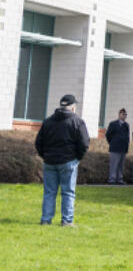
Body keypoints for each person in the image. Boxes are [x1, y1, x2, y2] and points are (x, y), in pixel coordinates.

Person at [34, 94, 90, 226]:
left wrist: (45, 155)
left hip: (49, 161)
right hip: (68, 161)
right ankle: (67, 220)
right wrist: (78, 157)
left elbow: (38, 143)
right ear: (73, 107)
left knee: (49, 192)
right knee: (68, 192)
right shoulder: (77, 121)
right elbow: (84, 143)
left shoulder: (48, 121)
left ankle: (46, 219)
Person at [105, 108, 130, 185]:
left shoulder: (126, 125)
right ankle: (112, 179)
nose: (124, 116)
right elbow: (108, 135)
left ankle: (119, 179)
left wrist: (126, 147)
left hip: (123, 148)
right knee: (114, 164)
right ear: (119, 114)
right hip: (115, 147)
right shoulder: (113, 124)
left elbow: (127, 137)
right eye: (123, 114)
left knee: (121, 165)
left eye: (125, 114)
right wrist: (112, 142)